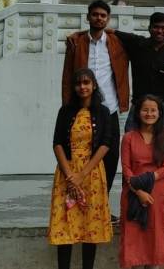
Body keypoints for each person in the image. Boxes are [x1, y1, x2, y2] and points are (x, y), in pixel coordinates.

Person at [63, 0, 129, 219]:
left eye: (103, 15)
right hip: (82, 108)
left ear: (108, 19)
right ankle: (81, 205)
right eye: (95, 14)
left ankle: (102, 207)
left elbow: (144, 42)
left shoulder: (117, 42)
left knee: (110, 159)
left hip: (108, 109)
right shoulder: (76, 42)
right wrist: (67, 107)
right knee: (81, 157)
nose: (99, 18)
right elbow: (67, 76)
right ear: (88, 17)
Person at [49, 68, 116, 269]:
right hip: (66, 174)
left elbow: (105, 144)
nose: (82, 87)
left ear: (94, 85)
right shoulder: (65, 111)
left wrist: (82, 174)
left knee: (90, 225)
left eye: (86, 83)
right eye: (78, 83)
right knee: (65, 224)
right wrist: (70, 175)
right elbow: (57, 143)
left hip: (92, 173)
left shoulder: (103, 112)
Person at [119, 95, 164, 269]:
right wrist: (138, 191)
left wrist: (149, 179)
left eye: (153, 110)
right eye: (145, 110)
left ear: (159, 113)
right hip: (133, 192)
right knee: (134, 241)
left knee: (155, 239)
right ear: (138, 112)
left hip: (157, 194)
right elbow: (126, 168)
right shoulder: (128, 138)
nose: (149, 114)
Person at [118, 12, 164, 133]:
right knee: (131, 139)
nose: (159, 31)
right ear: (149, 28)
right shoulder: (137, 44)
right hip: (139, 105)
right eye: (156, 27)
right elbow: (110, 32)